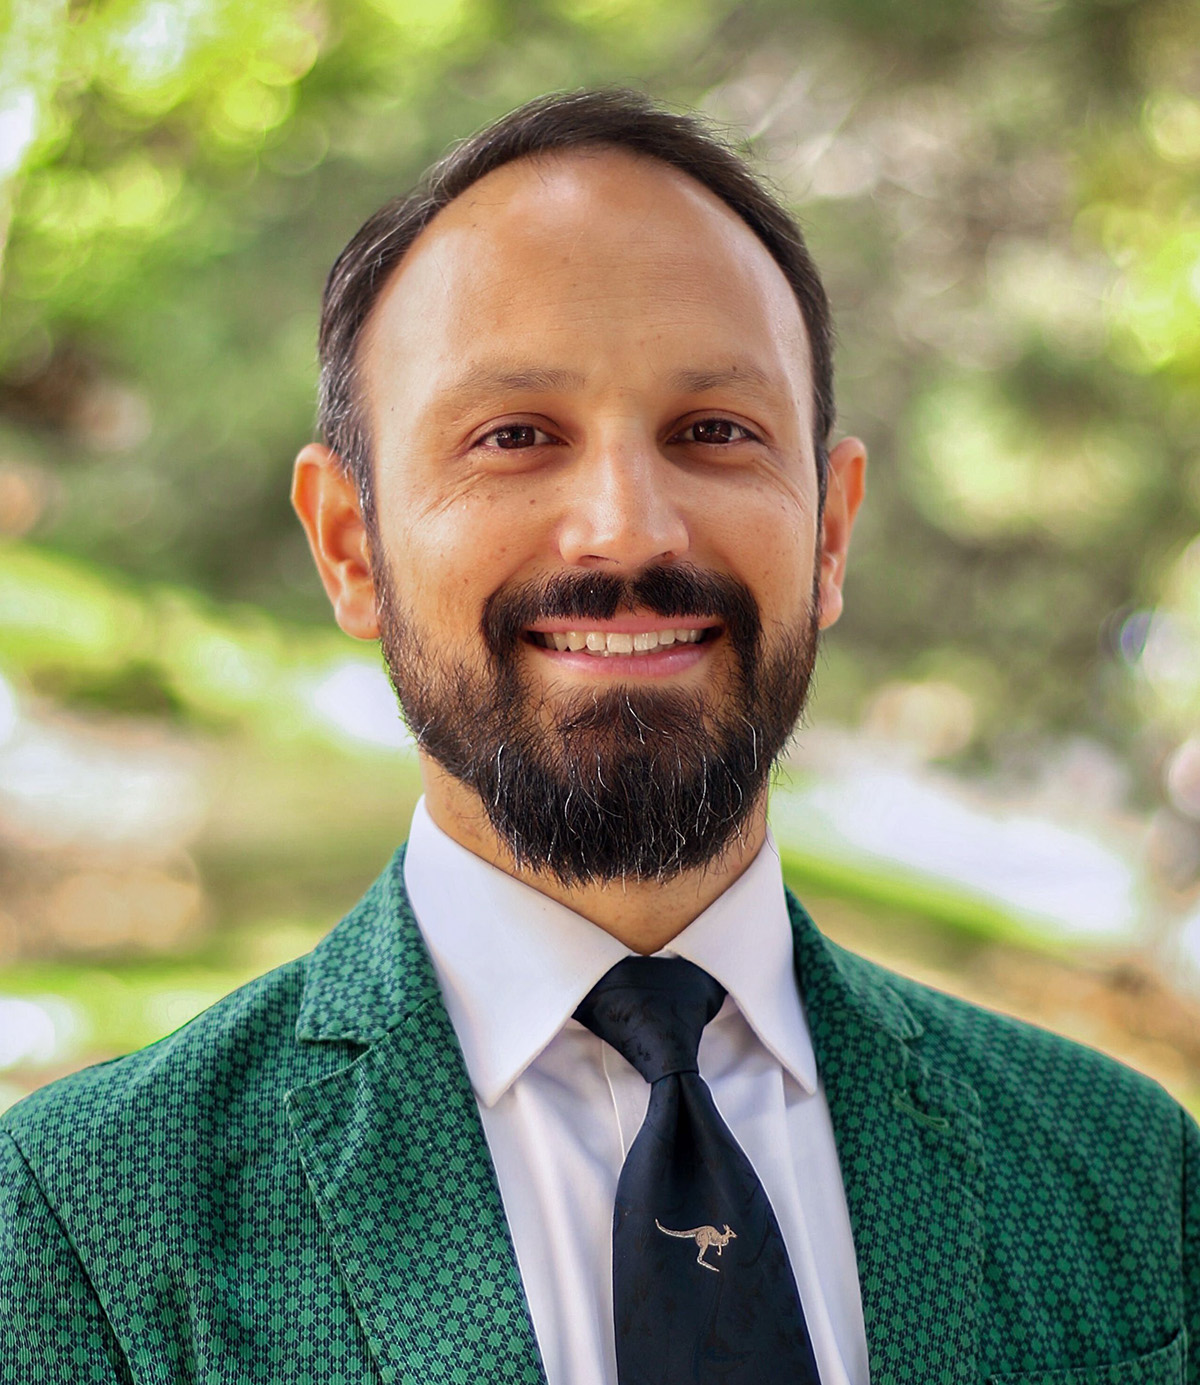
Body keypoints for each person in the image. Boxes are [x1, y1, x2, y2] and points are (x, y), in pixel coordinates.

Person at [1, 87, 1196, 1385]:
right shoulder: (78, 1226)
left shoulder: (1132, 1175)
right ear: (350, 544)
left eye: (715, 432)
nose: (628, 528)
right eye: (515, 436)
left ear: (830, 532)